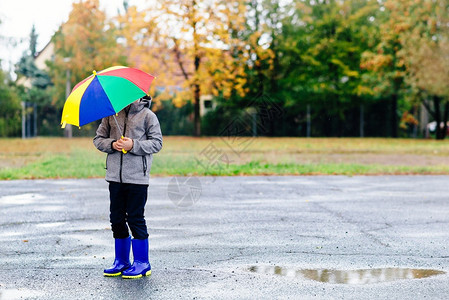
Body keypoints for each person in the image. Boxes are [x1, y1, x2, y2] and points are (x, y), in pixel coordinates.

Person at [93, 95, 162, 279]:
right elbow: (98, 139)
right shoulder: (110, 116)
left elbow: (157, 143)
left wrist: (133, 145)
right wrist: (112, 144)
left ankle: (142, 263)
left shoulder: (148, 116)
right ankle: (122, 261)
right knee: (116, 218)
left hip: (137, 178)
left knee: (135, 218)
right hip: (115, 178)